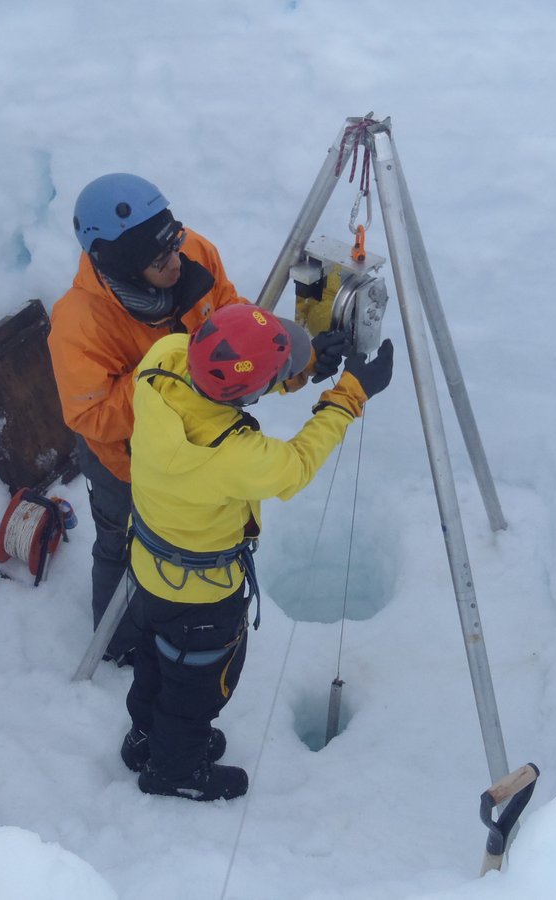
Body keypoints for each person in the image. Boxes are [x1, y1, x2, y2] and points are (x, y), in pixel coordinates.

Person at [47, 174, 348, 663]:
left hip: (198, 453)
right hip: (124, 463)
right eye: (158, 258)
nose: (175, 260)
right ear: (122, 265)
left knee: (179, 549)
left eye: (174, 241)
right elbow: (92, 414)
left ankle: (166, 623)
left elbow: (237, 330)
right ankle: (118, 645)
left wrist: (299, 363)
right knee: (121, 543)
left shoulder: (194, 254)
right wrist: (186, 373)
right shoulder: (79, 322)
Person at [119, 303, 394, 801]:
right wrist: (348, 395)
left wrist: (301, 365)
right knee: (197, 684)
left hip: (148, 565)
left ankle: (146, 738)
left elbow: (222, 372)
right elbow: (296, 464)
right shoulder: (233, 456)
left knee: (157, 658)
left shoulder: (163, 359)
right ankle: (174, 770)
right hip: (200, 597)